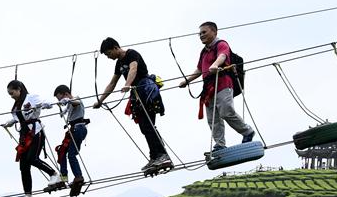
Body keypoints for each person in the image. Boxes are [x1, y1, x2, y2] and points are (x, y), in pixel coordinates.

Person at [93, 38, 172, 172]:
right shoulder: (118, 64)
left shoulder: (131, 54)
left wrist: (127, 84)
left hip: (146, 90)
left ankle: (162, 155)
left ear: (115, 47)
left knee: (148, 125)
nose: (108, 57)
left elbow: (133, 69)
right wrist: (100, 100)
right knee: (144, 127)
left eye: (108, 53)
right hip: (136, 94)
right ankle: (155, 157)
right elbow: (112, 83)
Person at [178, 21, 255, 154]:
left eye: (204, 32)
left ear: (214, 32)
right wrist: (187, 81)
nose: (201, 35)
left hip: (223, 83)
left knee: (226, 111)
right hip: (208, 88)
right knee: (213, 119)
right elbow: (199, 69)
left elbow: (223, 55)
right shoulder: (204, 52)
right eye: (199, 33)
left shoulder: (221, 44)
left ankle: (247, 131)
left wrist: (215, 65)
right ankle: (220, 144)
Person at [3, 80, 62, 197]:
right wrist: (10, 122)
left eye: (12, 93)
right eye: (9, 94)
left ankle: (54, 174)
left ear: (19, 89)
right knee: (23, 167)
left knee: (32, 158)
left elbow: (45, 103)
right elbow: (18, 118)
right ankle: (28, 195)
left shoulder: (31, 98)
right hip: (24, 136)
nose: (11, 96)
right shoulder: (16, 106)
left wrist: (47, 105)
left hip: (36, 132)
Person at [42, 84, 88, 191]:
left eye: (61, 97)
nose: (61, 100)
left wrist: (68, 100)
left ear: (66, 94)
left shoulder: (76, 99)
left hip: (78, 129)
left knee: (71, 155)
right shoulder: (68, 103)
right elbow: (67, 107)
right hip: (73, 130)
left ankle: (78, 176)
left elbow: (75, 102)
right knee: (62, 153)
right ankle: (64, 178)